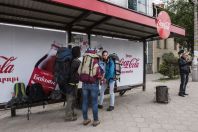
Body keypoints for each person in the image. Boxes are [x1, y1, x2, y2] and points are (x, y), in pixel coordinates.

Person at [80, 49, 102, 127]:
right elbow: (97, 74)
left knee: (85, 101)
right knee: (94, 102)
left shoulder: (84, 59)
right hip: (93, 83)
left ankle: (85, 119)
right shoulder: (95, 60)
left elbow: (79, 71)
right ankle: (95, 120)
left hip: (84, 84)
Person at [65, 46, 81, 121]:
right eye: (79, 51)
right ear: (77, 52)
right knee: (70, 99)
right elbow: (79, 71)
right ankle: (68, 116)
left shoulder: (71, 60)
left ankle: (71, 113)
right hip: (71, 83)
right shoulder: (76, 61)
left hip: (71, 83)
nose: (80, 52)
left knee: (72, 99)